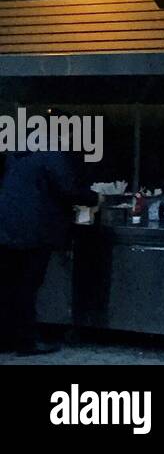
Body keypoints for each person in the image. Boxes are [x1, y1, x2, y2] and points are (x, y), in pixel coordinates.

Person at [0, 148, 100, 356]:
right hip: (35, 228)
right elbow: (68, 189)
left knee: (10, 284)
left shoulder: (16, 155)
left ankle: (8, 337)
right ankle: (27, 341)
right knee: (28, 285)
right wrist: (95, 198)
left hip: (6, 227)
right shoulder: (53, 156)